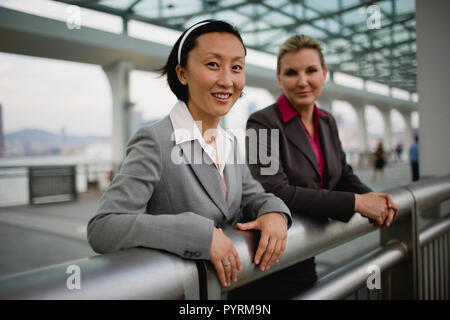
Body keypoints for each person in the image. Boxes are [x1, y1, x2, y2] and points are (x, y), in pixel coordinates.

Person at [87, 20, 292, 290]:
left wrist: (275, 212)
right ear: (182, 74)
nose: (227, 80)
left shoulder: (228, 141)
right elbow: (103, 227)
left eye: (237, 67)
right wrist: (197, 235)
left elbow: (254, 195)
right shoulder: (155, 141)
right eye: (213, 65)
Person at [234, 34, 399, 299]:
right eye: (291, 72)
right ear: (279, 78)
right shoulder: (260, 123)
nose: (302, 81)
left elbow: (342, 173)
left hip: (304, 251)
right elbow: (273, 191)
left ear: (324, 73)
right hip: (266, 261)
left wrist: (374, 198)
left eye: (311, 70)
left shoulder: (328, 121)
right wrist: (356, 203)